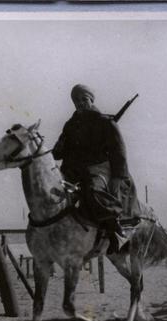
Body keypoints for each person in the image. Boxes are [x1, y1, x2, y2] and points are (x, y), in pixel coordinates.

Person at [53, 84, 139, 250]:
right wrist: (59, 147)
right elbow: (59, 153)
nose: (80, 103)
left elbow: (118, 151)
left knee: (93, 192)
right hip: (73, 169)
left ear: (91, 100)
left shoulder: (105, 122)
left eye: (84, 99)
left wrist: (117, 177)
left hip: (99, 168)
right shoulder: (70, 125)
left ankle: (117, 231)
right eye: (76, 100)